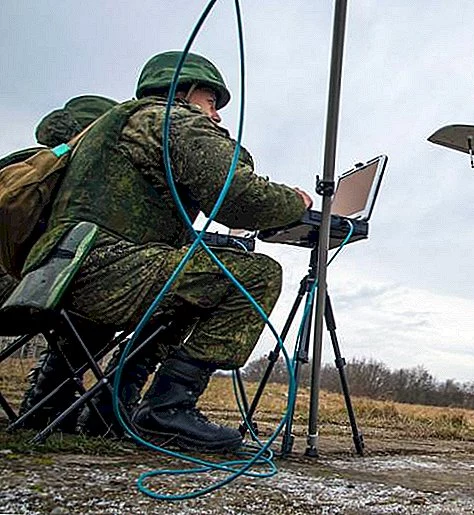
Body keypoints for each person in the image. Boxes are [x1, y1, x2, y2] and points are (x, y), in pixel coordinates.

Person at [19, 50, 312, 452]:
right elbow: (236, 194)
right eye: (211, 102)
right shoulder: (168, 119)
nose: (216, 115)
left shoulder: (106, 129)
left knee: (183, 287)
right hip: (102, 273)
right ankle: (168, 408)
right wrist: (297, 202)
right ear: (185, 91)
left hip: (54, 274)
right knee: (256, 273)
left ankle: (67, 403)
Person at [0, 95, 119, 432]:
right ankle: (49, 402)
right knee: (97, 296)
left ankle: (48, 402)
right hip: (17, 290)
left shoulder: (21, 164)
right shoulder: (64, 178)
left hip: (21, 287)